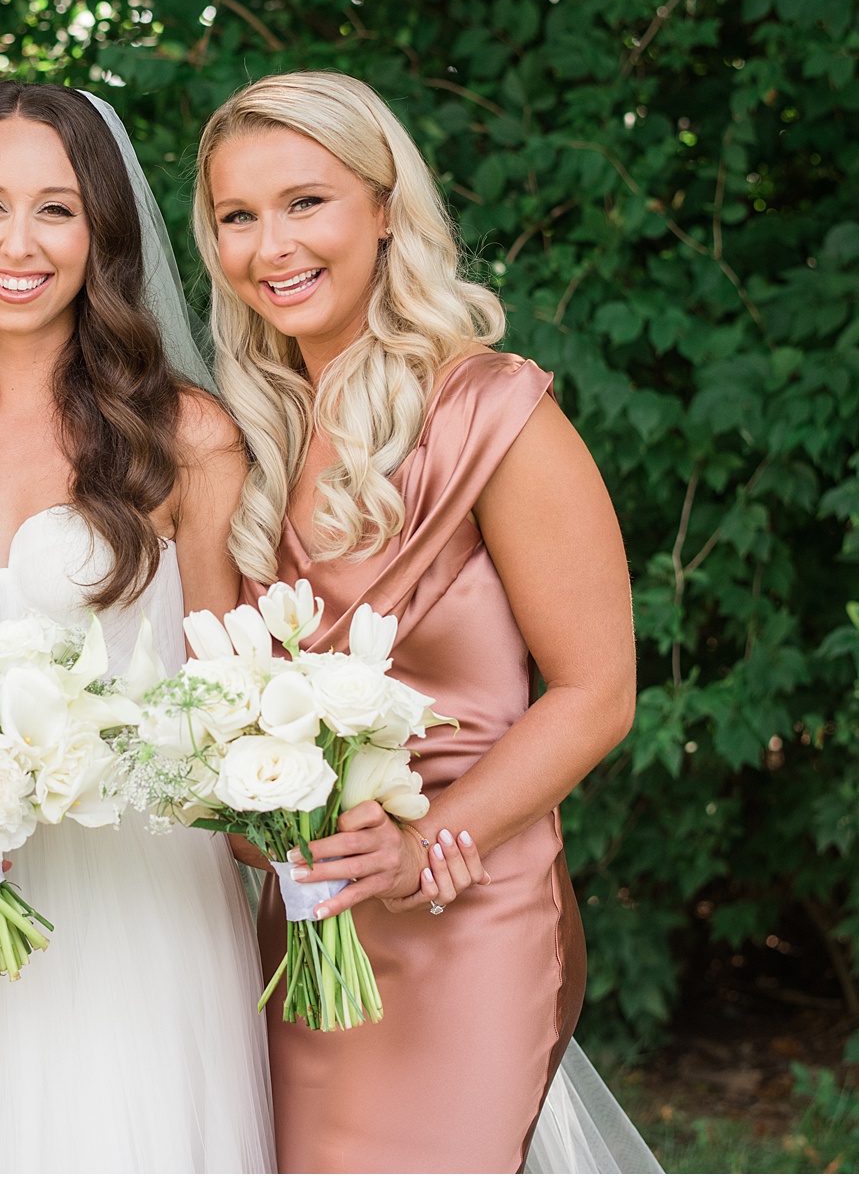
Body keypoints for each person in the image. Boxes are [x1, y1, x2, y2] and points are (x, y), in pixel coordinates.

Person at [193, 71, 659, 1172]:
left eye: (307, 201)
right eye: (237, 216)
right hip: (304, 927)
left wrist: (425, 844)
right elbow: (215, 707)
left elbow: (599, 692)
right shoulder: (243, 445)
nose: (272, 245)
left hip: (471, 905)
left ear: (385, 207)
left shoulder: (496, 411)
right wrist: (261, 826)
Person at [0, 81, 274, 1172]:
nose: (19, 242)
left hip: (134, 907)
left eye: (57, 208)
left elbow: (225, 700)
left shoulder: (185, 435)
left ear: (102, 230)